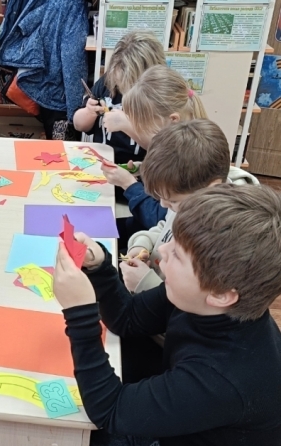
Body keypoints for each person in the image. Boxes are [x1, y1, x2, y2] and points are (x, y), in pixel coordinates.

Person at [53, 184, 281, 445]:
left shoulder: (223, 377)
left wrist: (80, 315)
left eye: (178, 255)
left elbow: (110, 411)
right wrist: (100, 266)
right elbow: (127, 318)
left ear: (221, 295)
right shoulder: (198, 297)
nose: (162, 250)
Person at [121, 119, 259, 293]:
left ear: (211, 189)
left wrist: (145, 283)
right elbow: (164, 228)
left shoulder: (225, 237)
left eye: (173, 201)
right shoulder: (192, 202)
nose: (163, 204)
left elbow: (195, 300)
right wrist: (142, 244)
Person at [100, 65, 208, 242]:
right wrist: (142, 170)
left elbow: (160, 219)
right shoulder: (177, 147)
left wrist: (129, 184)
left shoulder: (189, 161)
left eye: (144, 130)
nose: (138, 136)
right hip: (143, 231)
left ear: (173, 120)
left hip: (155, 240)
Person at [73, 30, 165, 166]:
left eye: (129, 82)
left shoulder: (162, 97)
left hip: (139, 172)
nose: (120, 86)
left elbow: (163, 149)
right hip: (102, 165)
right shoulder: (107, 83)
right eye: (118, 80)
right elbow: (78, 125)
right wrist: (89, 112)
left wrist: (127, 125)